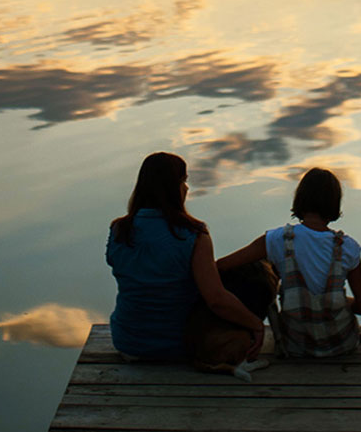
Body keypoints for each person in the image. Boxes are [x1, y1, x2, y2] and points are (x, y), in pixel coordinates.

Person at [106, 152, 264, 361]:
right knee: (253, 274)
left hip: (127, 342)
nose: (187, 188)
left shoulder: (119, 230)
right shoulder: (193, 234)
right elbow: (216, 299)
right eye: (183, 181)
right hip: (179, 345)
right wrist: (256, 324)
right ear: (174, 188)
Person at [216, 167, 361, 357]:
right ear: (334, 204)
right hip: (341, 344)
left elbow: (220, 267)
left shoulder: (276, 240)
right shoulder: (349, 247)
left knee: (258, 271)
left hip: (295, 346)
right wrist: (339, 302)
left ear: (300, 199)